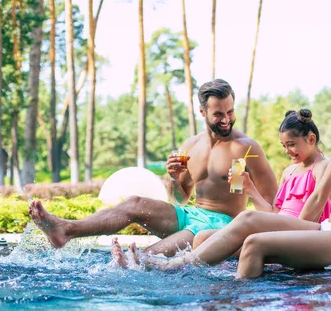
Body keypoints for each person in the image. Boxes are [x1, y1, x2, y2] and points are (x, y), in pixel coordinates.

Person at [114, 68, 331, 278]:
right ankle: (173, 266)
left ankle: (220, 298)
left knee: (256, 244)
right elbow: (319, 196)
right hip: (328, 229)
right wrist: (294, 229)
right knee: (247, 220)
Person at [28, 79, 278, 256]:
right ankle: (66, 230)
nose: (226, 120)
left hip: (223, 225)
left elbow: (273, 204)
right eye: (218, 114)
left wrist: (247, 193)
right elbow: (180, 199)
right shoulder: (189, 145)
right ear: (202, 111)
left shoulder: (246, 147)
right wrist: (174, 178)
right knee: (135, 203)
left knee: (146, 256)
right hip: (191, 215)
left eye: (230, 112)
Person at [184, 108, 331, 254]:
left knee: (247, 217)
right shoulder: (289, 172)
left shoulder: (323, 166)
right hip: (277, 230)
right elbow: (273, 213)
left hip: (299, 235)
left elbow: (314, 212)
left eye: (291, 144)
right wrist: (249, 188)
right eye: (284, 146)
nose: (287, 151)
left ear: (311, 139)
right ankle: (197, 274)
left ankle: (180, 263)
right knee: (202, 237)